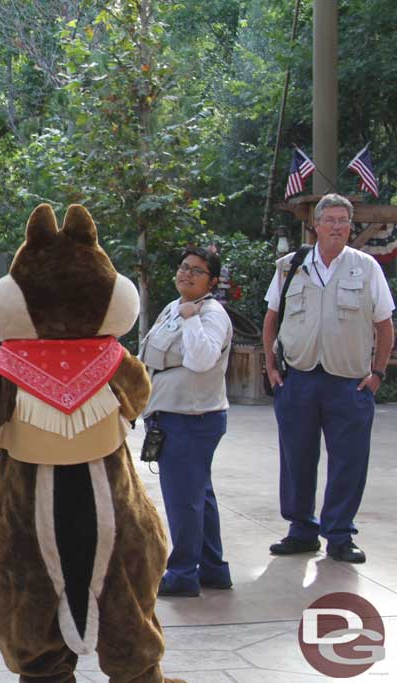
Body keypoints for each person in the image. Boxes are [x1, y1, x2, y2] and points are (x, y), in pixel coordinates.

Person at [263, 193, 395, 564]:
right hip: (299, 379)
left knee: (349, 461)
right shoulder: (291, 266)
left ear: (350, 227)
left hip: (348, 382)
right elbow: (272, 317)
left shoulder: (366, 267)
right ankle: (301, 530)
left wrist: (377, 374)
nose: (337, 226)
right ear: (315, 225)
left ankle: (339, 534)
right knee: (296, 458)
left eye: (343, 220)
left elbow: (384, 326)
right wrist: (273, 370)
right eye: (330, 219)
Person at [139, 246, 234, 597]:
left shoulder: (211, 314)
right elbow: (149, 353)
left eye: (196, 270)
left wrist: (192, 318)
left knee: (184, 500)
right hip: (171, 415)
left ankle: (182, 574)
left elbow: (201, 359)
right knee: (198, 496)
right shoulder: (172, 308)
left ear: (211, 281)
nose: (186, 274)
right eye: (183, 267)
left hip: (192, 419)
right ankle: (213, 569)